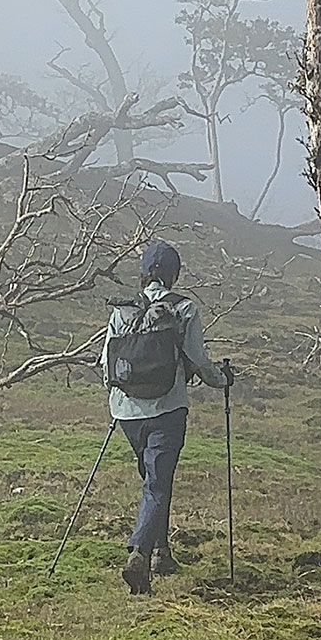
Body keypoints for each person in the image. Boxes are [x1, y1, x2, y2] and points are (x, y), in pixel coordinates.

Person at [102, 239, 231, 595]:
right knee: (158, 483)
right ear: (174, 274)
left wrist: (118, 403)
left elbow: (106, 364)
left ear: (143, 273)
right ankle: (139, 554)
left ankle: (162, 553)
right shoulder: (184, 309)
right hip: (167, 409)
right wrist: (222, 380)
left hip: (126, 412)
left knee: (153, 481)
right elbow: (197, 359)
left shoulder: (122, 311)